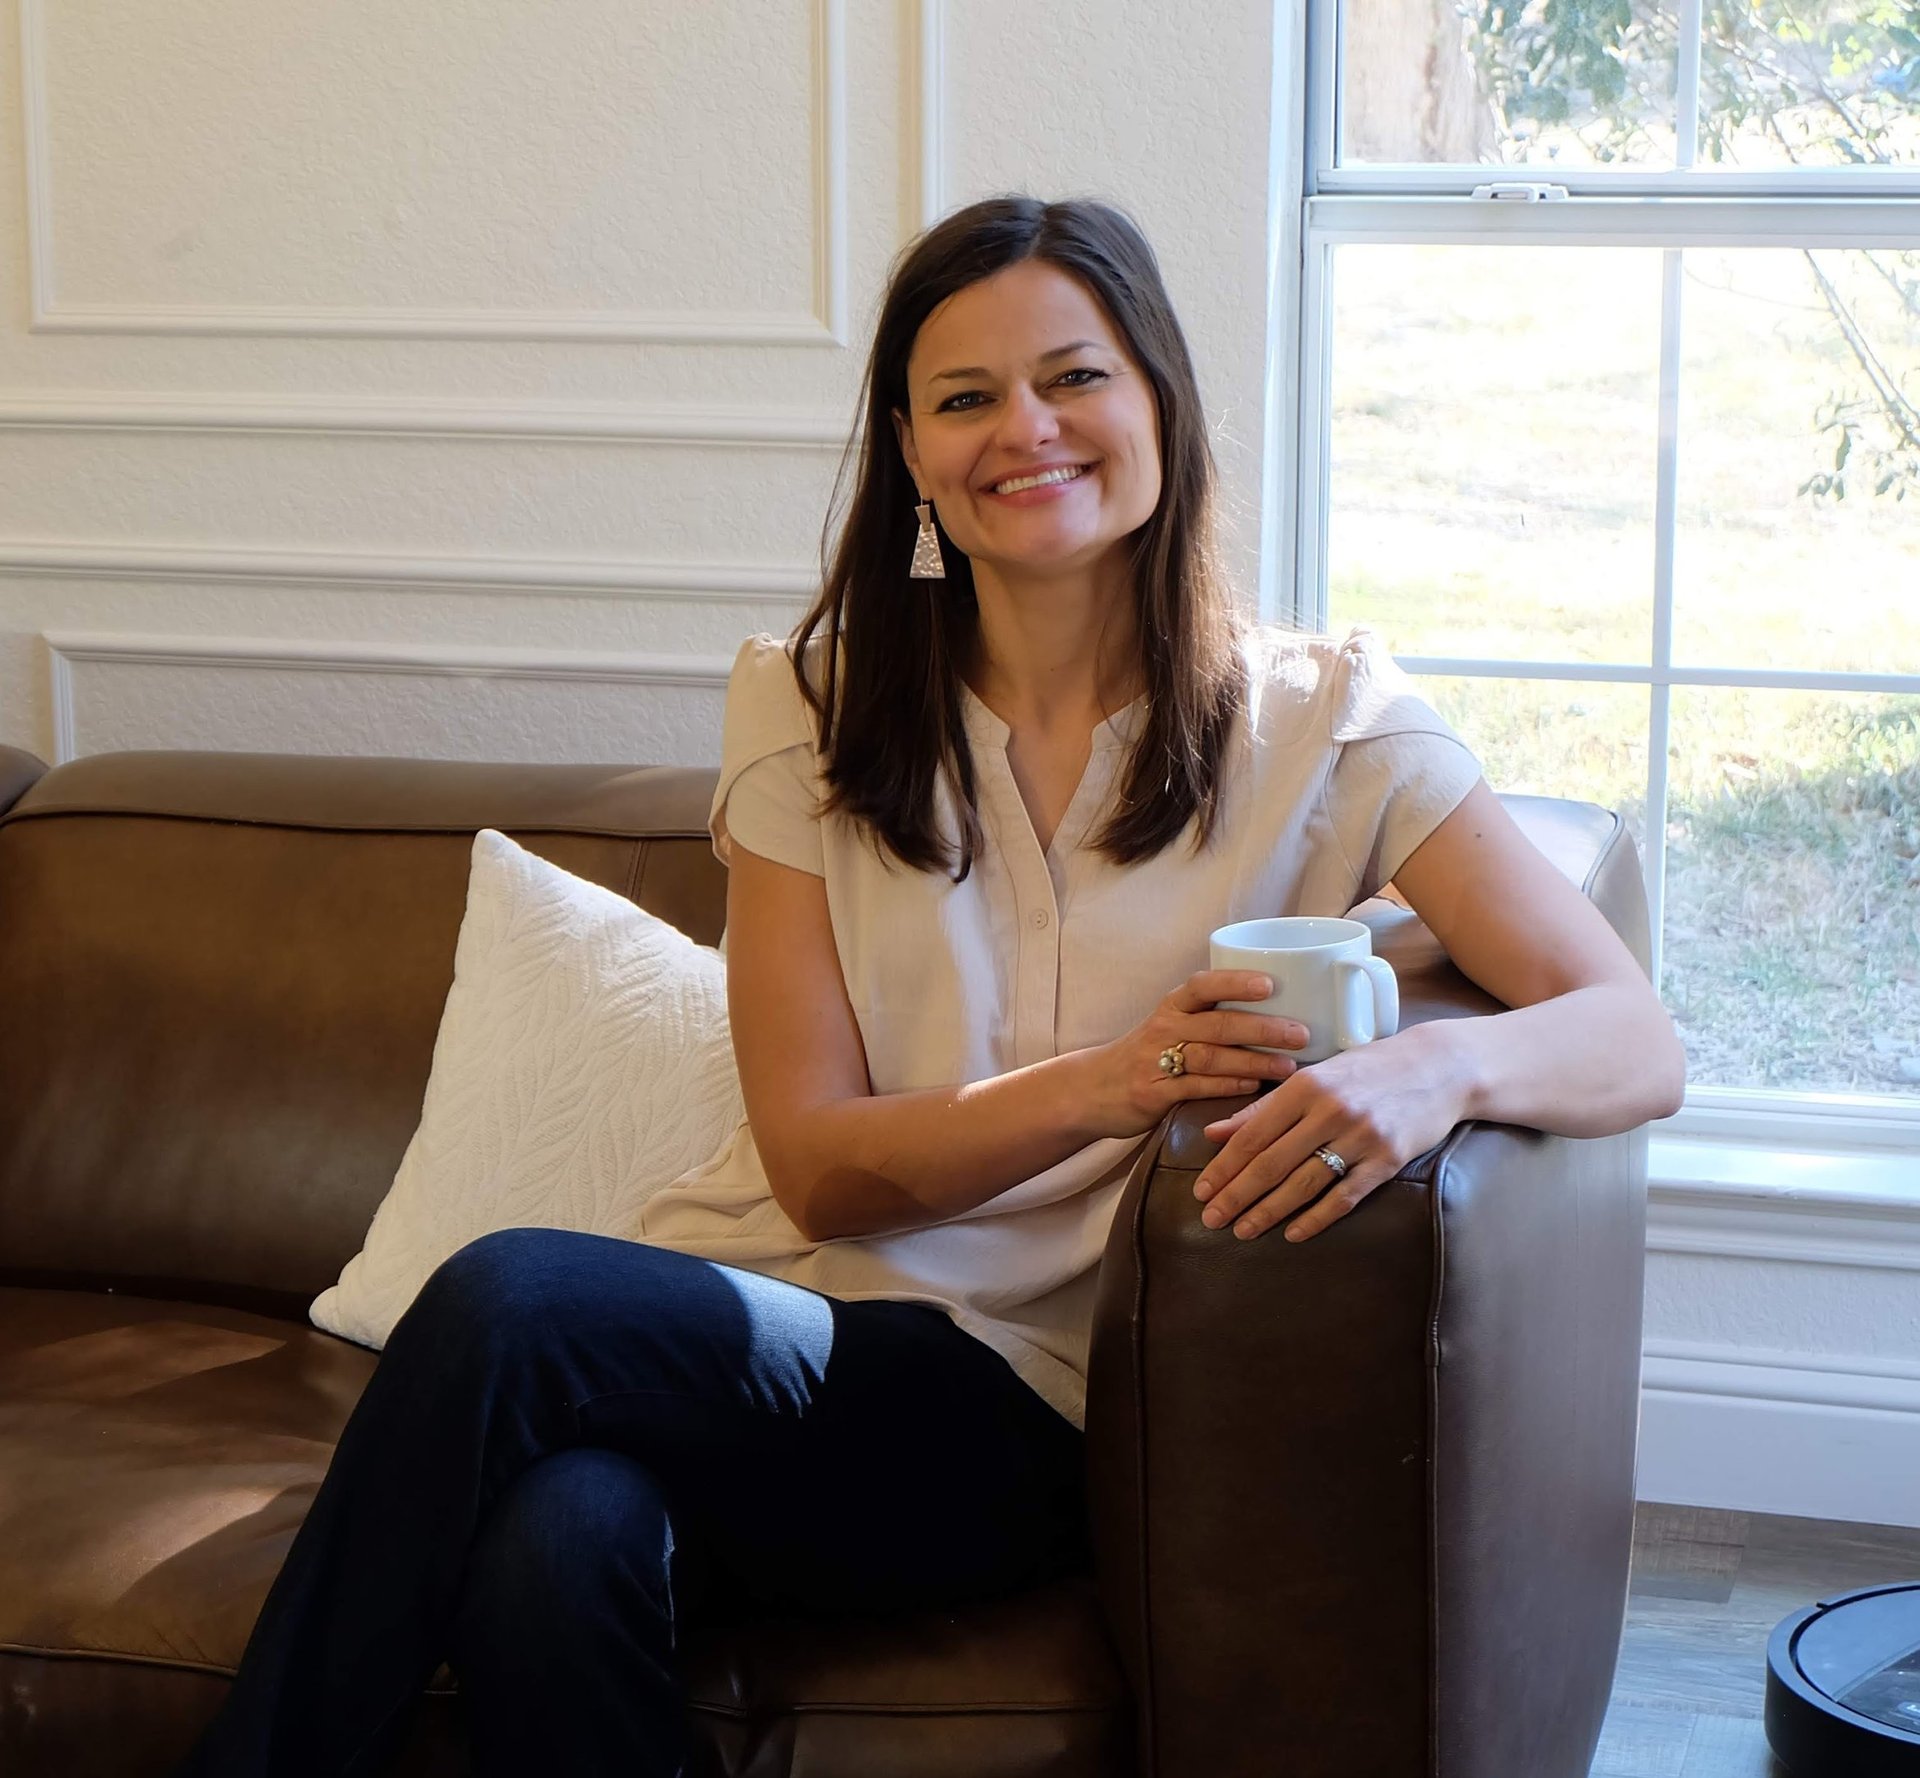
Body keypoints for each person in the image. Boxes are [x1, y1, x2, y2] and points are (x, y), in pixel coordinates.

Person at [172, 195, 1686, 1778]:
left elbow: (1632, 1032)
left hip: (1022, 1399)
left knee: (505, 1298)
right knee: (555, 1543)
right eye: (966, 397)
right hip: (763, 1327)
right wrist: (1121, 1078)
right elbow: (818, 1168)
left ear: (1160, 397)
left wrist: (1429, 1073)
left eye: (1074, 376)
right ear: (910, 453)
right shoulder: (809, 709)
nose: (1025, 429)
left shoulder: (1329, 723)